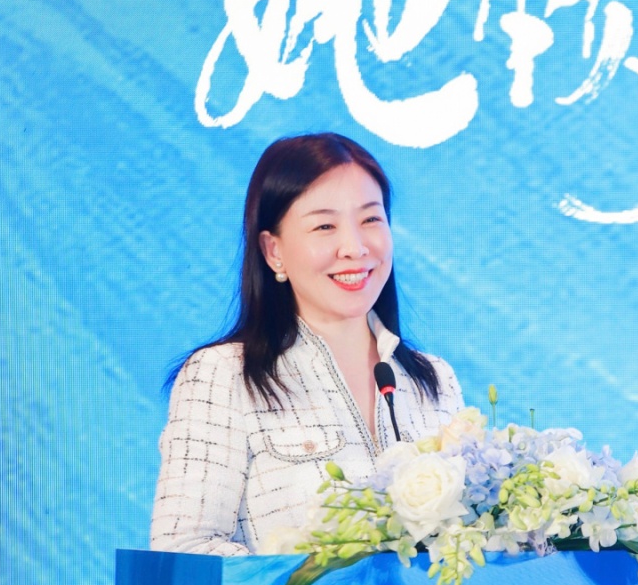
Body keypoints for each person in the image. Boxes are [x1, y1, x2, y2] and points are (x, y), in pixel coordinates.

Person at [150, 133, 463, 555]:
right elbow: (183, 548)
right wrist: (311, 578)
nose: (354, 248)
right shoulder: (222, 376)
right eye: (324, 226)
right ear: (273, 251)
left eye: (371, 220)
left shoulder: (434, 381)